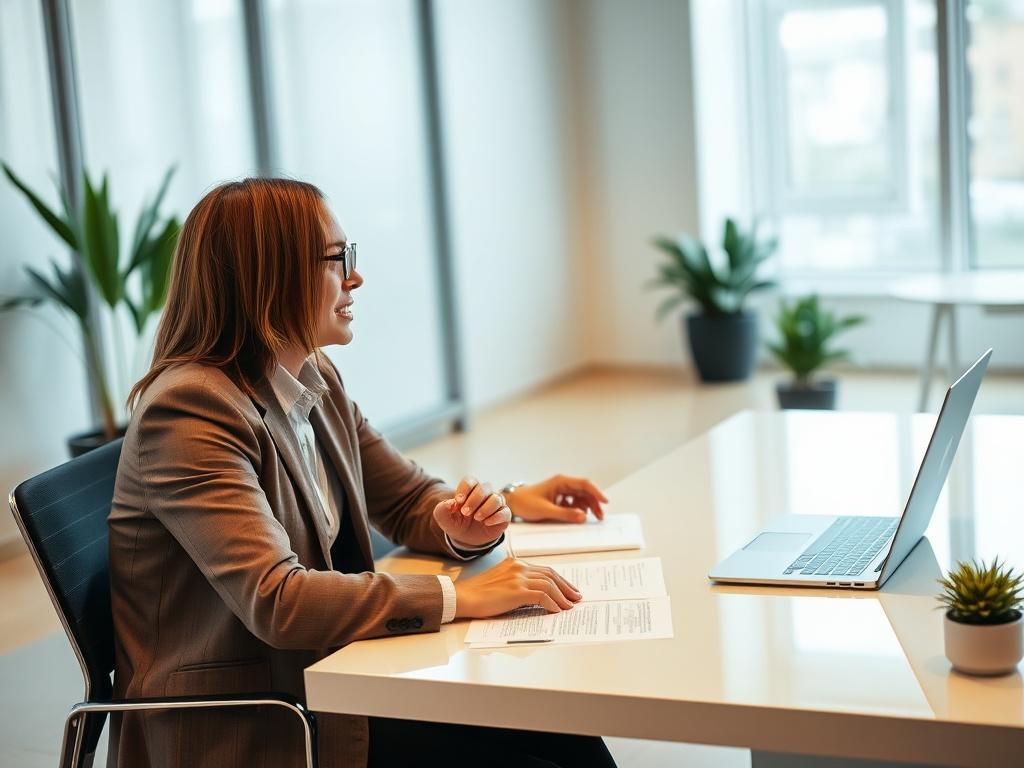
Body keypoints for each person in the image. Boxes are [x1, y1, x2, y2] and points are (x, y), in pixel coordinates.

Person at [107, 178, 618, 768]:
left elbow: (404, 498)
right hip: (260, 721)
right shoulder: (192, 409)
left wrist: (462, 526)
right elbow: (279, 600)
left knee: (565, 729)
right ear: (267, 275)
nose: (355, 278)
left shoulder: (311, 378)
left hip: (333, 678)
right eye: (337, 260)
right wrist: (460, 595)